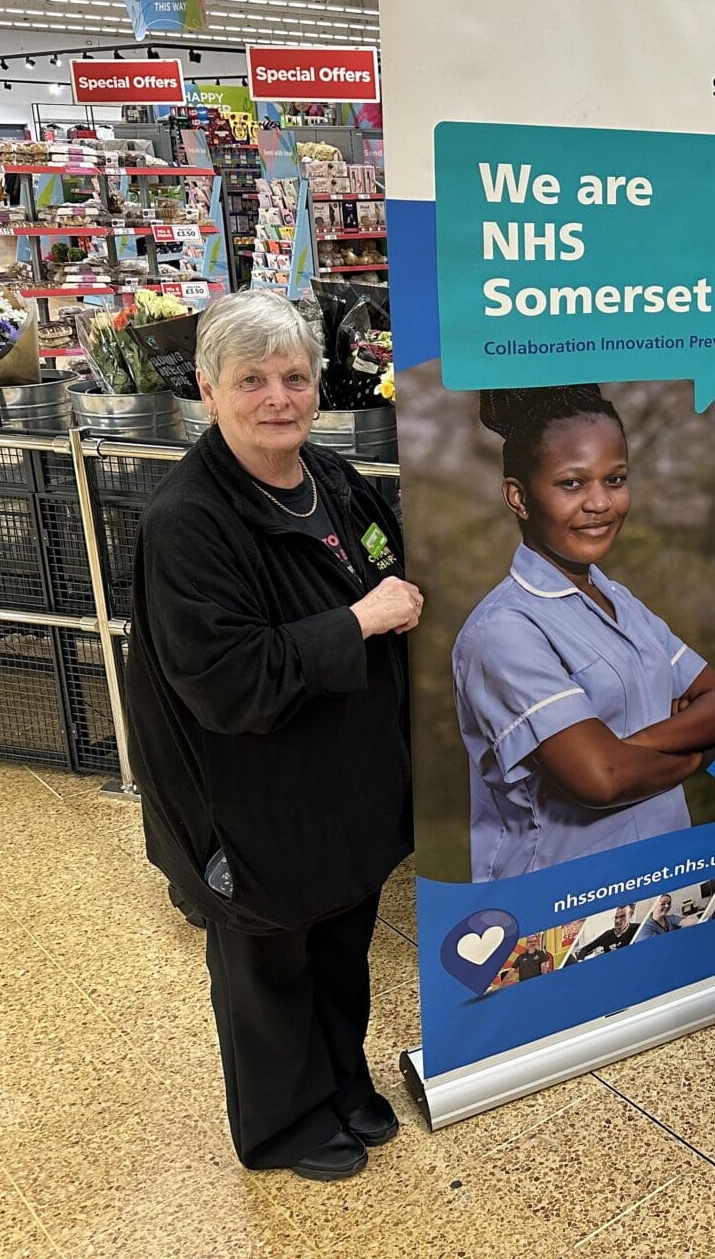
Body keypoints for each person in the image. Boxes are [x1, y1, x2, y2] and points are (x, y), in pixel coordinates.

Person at [123, 289, 422, 1183]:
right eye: (251, 380)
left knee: (339, 944)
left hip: (345, 779)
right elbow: (229, 680)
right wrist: (361, 623)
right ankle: (282, 1123)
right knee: (268, 967)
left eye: (294, 377)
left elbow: (393, 562)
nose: (278, 398)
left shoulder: (331, 480)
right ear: (209, 391)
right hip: (247, 798)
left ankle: (341, 1081)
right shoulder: (189, 522)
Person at [453, 385, 715, 881]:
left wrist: (624, 747)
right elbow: (600, 780)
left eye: (615, 479)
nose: (600, 503)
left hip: (659, 871)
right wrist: (691, 756)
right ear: (518, 497)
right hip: (562, 895)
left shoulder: (619, 600)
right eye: (571, 484)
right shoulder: (503, 630)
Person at [571, 904, 640, 960]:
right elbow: (585, 949)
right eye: (616, 917)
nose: (617, 921)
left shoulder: (637, 928)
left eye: (622, 917)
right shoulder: (607, 935)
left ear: (630, 916)